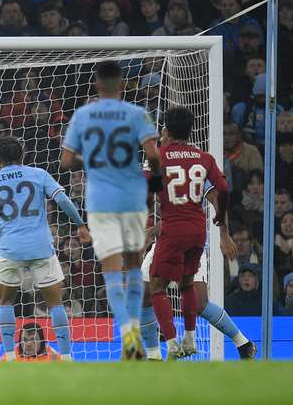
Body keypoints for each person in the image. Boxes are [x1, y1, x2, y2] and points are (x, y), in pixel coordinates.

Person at [60, 60, 162, 360]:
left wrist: (90, 159)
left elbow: (66, 162)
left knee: (112, 269)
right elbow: (153, 155)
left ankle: (129, 336)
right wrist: (155, 179)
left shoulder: (84, 115)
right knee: (133, 266)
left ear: (96, 85)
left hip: (101, 200)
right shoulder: (136, 114)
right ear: (122, 85)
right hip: (132, 198)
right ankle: (136, 334)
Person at [0, 136, 89, 361]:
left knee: (5, 302)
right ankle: (67, 358)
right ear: (22, 155)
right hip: (40, 247)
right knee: (55, 303)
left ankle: (9, 355)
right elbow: (64, 201)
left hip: (10, 250)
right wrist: (80, 225)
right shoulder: (39, 174)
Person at [140, 107, 235, 360]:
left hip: (173, 229)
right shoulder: (204, 157)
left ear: (167, 130)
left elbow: (147, 195)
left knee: (157, 286)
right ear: (191, 130)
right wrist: (220, 218)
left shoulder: (158, 157)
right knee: (186, 283)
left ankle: (171, 343)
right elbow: (223, 188)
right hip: (198, 230)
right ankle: (190, 338)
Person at [140, 184, 257, 360]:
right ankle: (154, 355)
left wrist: (224, 235)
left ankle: (243, 343)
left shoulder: (198, 169)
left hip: (192, 245)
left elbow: (217, 200)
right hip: (165, 244)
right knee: (144, 295)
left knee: (200, 304)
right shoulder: (165, 168)